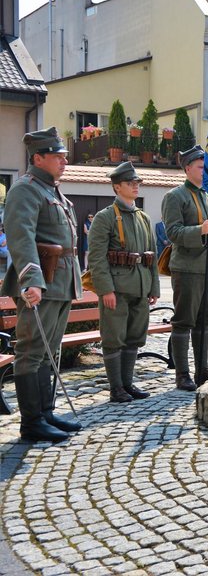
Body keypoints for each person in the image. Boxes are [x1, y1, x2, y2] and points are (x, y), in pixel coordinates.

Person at [0, 127, 83, 442]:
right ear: (38, 158)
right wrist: (32, 281)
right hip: (42, 284)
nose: (64, 160)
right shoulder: (26, 189)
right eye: (57, 156)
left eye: (64, 156)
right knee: (32, 351)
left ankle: (46, 413)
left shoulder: (52, 190)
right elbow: (21, 238)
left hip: (61, 283)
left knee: (49, 351)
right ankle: (32, 422)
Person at [161, 145, 208, 391]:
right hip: (188, 268)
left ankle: (202, 368)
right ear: (188, 168)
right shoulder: (175, 196)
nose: (205, 171)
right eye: (201, 167)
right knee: (184, 321)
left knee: (204, 321)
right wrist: (199, 230)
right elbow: (173, 232)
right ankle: (182, 374)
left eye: (207, 167)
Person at [87, 162, 161, 402]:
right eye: (130, 183)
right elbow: (96, 258)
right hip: (116, 289)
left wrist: (153, 287)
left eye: (137, 182)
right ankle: (116, 387)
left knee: (134, 336)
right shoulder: (105, 217)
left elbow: (152, 256)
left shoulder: (143, 218)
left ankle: (128, 384)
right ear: (117, 187)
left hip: (140, 286)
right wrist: (105, 289)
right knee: (113, 337)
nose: (136, 186)